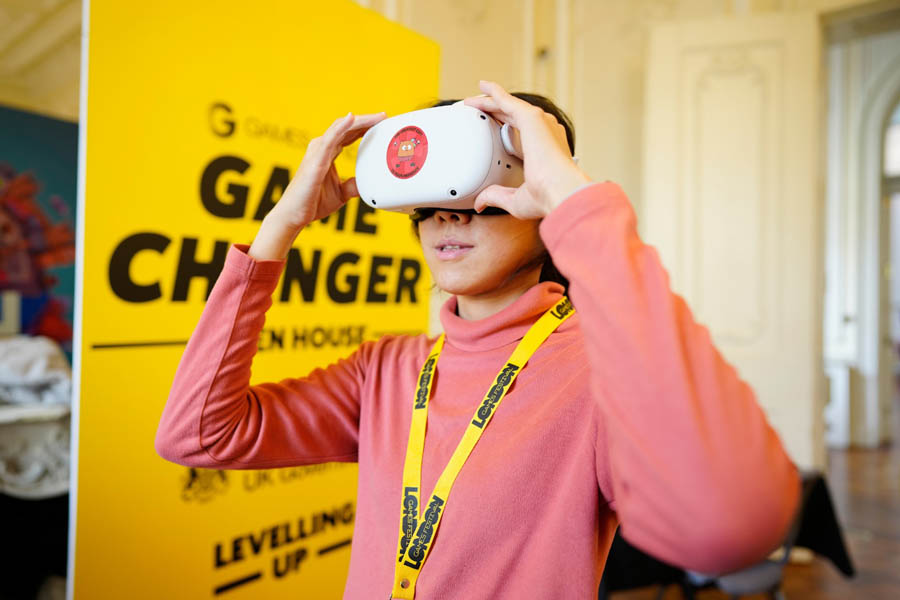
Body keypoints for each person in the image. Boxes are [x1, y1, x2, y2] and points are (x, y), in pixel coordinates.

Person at [154, 80, 801, 599]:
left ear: (539, 205)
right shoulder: (387, 370)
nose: (448, 215)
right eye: (428, 200)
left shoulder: (594, 369)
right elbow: (197, 434)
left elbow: (730, 528)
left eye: (484, 192)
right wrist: (282, 224)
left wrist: (577, 203)